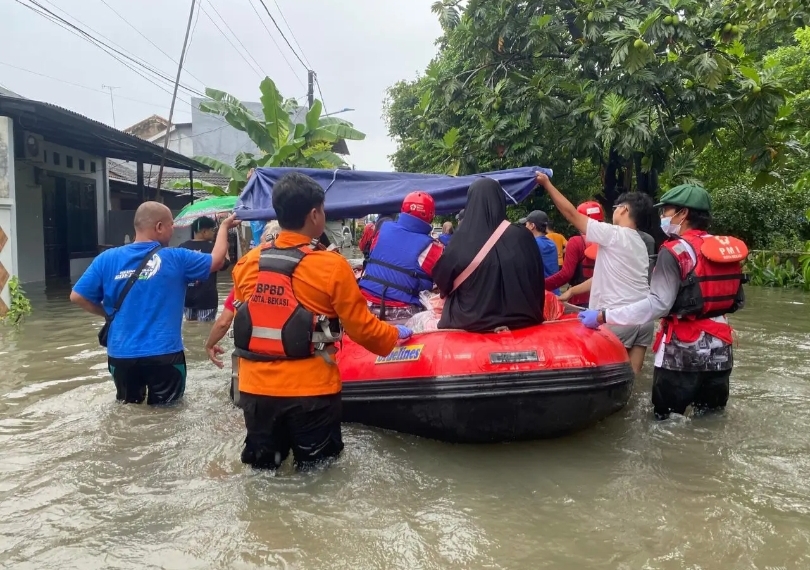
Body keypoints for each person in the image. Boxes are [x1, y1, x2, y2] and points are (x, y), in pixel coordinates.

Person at [230, 172, 411, 471]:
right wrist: (395, 335)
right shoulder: (331, 265)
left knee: (262, 473)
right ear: (315, 214)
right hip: (310, 394)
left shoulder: (246, 264)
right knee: (318, 476)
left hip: (255, 392)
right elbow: (362, 329)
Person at [578, 184, 746, 419]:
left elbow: (657, 305)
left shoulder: (674, 250)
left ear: (683, 213)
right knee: (710, 419)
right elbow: (736, 300)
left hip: (682, 352)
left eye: (666, 211)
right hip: (721, 350)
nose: (663, 217)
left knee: (665, 422)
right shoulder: (721, 248)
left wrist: (602, 315)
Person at [70, 202, 237, 405]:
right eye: (170, 225)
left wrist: (107, 312)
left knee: (127, 411)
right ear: (158, 227)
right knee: (168, 417)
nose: (173, 229)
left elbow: (77, 297)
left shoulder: (107, 258)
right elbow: (218, 260)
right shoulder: (176, 258)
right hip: (164, 354)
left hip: (121, 354)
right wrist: (225, 227)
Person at [536, 172, 654, 375]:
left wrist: (547, 184)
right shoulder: (640, 243)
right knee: (631, 379)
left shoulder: (614, 234)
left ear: (624, 209)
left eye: (616, 208)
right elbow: (602, 277)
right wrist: (572, 293)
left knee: (604, 374)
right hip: (644, 318)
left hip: (618, 317)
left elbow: (572, 214)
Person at [433, 178, 545, 332]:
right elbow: (537, 278)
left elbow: (442, 281)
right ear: (500, 200)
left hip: (469, 323)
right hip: (524, 322)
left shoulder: (461, 239)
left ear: (471, 202)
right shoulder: (523, 236)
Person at [358, 192, 444, 321]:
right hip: (402, 312)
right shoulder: (433, 248)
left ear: (403, 209)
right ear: (431, 216)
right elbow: (444, 281)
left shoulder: (382, 230)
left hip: (364, 305)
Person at [545, 201, 603, 307]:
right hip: (605, 299)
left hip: (580, 300)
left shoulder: (576, 242)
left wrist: (542, 285)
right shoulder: (610, 239)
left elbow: (566, 275)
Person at [178, 216, 231, 322]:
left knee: (190, 327)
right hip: (207, 298)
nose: (214, 233)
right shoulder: (213, 248)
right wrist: (225, 247)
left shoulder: (182, 247)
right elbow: (224, 264)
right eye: (212, 230)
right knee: (205, 329)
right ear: (204, 231)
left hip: (187, 297)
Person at [519, 210, 560, 294]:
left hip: (541, 293)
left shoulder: (532, 244)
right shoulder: (552, 243)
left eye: (526, 224)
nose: (525, 227)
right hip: (554, 290)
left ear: (532, 226)